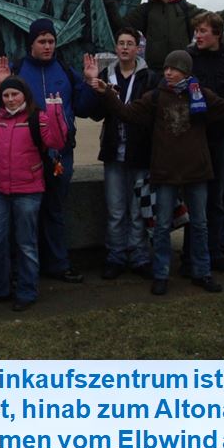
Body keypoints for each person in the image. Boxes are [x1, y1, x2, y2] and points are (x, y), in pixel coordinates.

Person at [85, 49, 224, 296]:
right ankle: (161, 274)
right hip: (165, 171)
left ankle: (202, 271)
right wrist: (108, 95)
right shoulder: (156, 97)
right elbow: (128, 113)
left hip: (195, 170)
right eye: (166, 68)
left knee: (199, 225)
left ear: (185, 71)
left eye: (173, 69)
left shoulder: (200, 95)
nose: (168, 72)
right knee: (162, 225)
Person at [0, 18, 97, 283]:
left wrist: (89, 83)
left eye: (51, 41)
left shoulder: (65, 69)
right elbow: (1, 110)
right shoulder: (17, 70)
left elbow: (83, 108)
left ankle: (58, 264)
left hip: (61, 153)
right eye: (42, 42)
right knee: (25, 215)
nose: (48, 46)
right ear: (32, 44)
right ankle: (24, 269)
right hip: (29, 155)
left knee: (55, 209)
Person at [0, 77, 67, 311]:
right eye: (6, 95)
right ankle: (1, 289)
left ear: (25, 95)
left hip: (29, 191)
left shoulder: (37, 118)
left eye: (15, 95)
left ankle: (27, 291)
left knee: (26, 244)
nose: (10, 100)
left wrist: (55, 111)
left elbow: (57, 140)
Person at [182, 12, 224, 275]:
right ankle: (190, 257)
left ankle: (214, 252)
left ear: (217, 34)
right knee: (193, 199)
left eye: (203, 31)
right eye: (196, 30)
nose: (198, 35)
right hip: (194, 138)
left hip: (221, 138)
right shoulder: (189, 59)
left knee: (217, 199)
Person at [87, 28, 155, 280]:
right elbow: (95, 113)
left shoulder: (149, 77)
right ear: (116, 48)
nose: (125, 47)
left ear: (138, 48)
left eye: (130, 43)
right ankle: (115, 255)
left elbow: (148, 114)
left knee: (137, 209)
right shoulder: (107, 74)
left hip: (140, 150)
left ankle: (139, 255)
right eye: (121, 43)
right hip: (114, 150)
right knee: (116, 209)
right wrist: (93, 87)